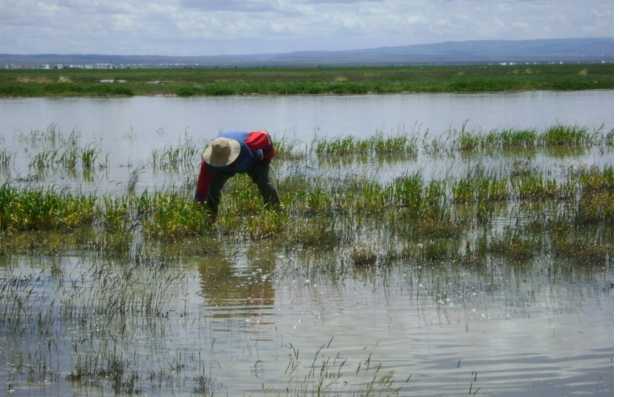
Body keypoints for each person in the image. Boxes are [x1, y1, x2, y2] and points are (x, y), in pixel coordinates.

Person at [195, 130, 280, 218]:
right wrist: (198, 205)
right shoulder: (210, 162)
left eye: (224, 160)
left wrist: (266, 159)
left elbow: (265, 136)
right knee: (211, 190)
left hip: (255, 162)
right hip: (224, 170)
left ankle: (276, 215)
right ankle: (210, 219)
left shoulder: (248, 144)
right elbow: (201, 187)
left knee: (267, 186)